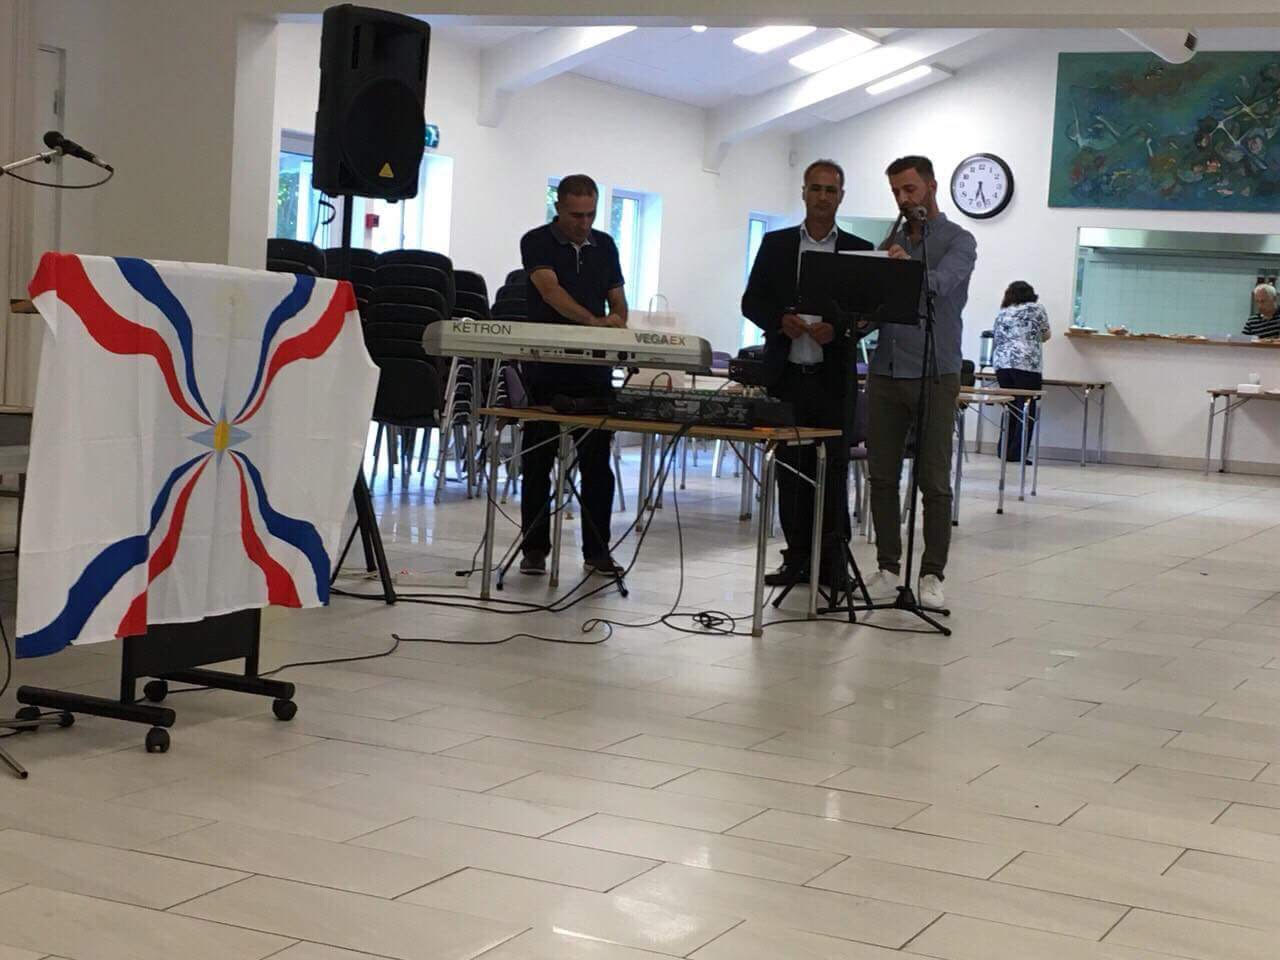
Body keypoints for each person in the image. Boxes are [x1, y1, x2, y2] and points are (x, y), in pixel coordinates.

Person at [742, 159, 873, 586]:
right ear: (803, 193)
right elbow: (751, 301)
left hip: (832, 381)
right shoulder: (776, 244)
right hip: (787, 377)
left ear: (841, 197)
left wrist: (840, 329)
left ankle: (832, 564)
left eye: (830, 190)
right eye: (815, 188)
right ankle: (796, 558)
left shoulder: (857, 249)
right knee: (790, 472)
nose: (822, 197)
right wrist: (778, 320)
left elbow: (869, 312)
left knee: (833, 471)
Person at [865, 155, 977, 610]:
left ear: (931, 186)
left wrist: (904, 266)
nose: (902, 198)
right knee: (881, 475)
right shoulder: (890, 240)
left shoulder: (959, 240)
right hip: (886, 370)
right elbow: (877, 301)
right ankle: (888, 567)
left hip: (935, 371)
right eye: (895, 191)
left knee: (933, 479)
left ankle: (931, 574)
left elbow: (941, 284)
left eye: (909, 188)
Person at [517, 174, 627, 577]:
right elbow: (550, 292)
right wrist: (593, 323)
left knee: (597, 464)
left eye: (590, 215)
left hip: (593, 370)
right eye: (576, 215)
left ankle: (597, 551)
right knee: (538, 460)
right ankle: (534, 549)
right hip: (546, 366)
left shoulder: (606, 245)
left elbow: (618, 299)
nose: (584, 223)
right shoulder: (536, 241)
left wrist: (616, 320)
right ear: (558, 208)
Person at [992, 280, 1051, 462]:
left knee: (1009, 407)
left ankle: (1003, 450)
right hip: (1026, 365)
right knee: (1026, 409)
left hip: (1002, 364)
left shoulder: (1003, 312)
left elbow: (996, 337)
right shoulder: (1036, 309)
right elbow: (1046, 335)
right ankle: (1017, 453)